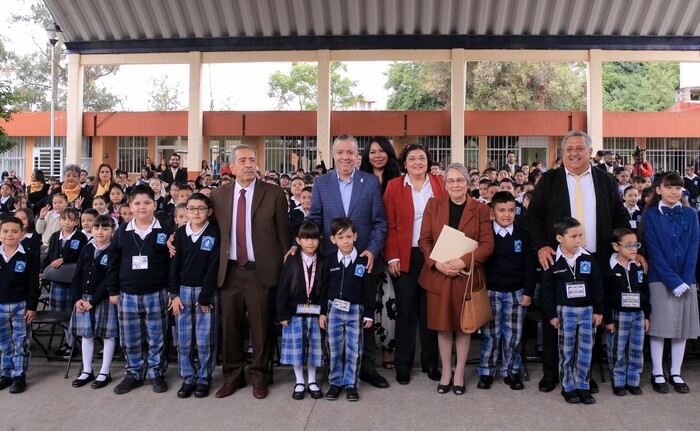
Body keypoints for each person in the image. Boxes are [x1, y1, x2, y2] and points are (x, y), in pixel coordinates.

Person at [526, 131, 631, 394]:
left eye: (580, 148)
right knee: (554, 318)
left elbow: (620, 216)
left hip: (593, 259)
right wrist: (542, 246)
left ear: (590, 152)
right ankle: (552, 372)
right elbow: (534, 217)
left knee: (591, 318)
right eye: (569, 148)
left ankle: (584, 373)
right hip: (558, 259)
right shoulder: (549, 180)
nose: (574, 153)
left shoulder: (605, 180)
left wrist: (628, 248)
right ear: (562, 153)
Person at [305, 134, 389, 389]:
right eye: (340, 152)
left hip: (362, 262)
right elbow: (315, 220)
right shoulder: (321, 183)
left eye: (350, 152)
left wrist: (372, 250)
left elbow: (379, 223)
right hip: (333, 263)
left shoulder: (371, 182)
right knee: (334, 317)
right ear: (333, 155)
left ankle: (366, 368)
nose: (345, 157)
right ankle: (336, 371)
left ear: (357, 156)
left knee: (364, 314)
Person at [209, 144, 290, 400]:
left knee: (261, 328)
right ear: (231, 167)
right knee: (230, 328)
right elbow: (209, 231)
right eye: (242, 160)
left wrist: (289, 265)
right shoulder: (218, 195)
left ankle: (260, 377)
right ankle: (232, 377)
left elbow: (284, 234)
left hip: (261, 271)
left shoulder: (274, 193)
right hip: (230, 271)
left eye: (252, 160)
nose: (248, 164)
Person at [417, 163, 494, 395]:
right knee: (442, 326)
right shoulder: (434, 204)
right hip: (439, 275)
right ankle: (446, 371)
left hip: (466, 276)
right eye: (450, 181)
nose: (455, 185)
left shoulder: (480, 209)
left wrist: (463, 261)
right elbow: (424, 240)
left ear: (469, 183)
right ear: (444, 185)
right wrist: (436, 263)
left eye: (460, 180)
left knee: (463, 326)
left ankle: (460, 371)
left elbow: (488, 245)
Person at [383, 143, 444, 384]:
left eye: (421, 157)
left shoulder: (439, 184)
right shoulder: (394, 186)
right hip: (405, 255)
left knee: (430, 312)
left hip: (434, 255)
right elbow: (388, 223)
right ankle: (403, 365)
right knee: (406, 312)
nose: (417, 162)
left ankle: (430, 363)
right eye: (412, 158)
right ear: (404, 163)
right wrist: (392, 256)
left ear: (428, 161)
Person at [107, 185, 174, 395]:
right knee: (130, 337)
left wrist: (172, 290)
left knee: (157, 337)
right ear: (130, 206)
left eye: (147, 203)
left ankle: (156, 372)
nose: (142, 207)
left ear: (155, 205)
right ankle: (134, 373)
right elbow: (113, 262)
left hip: (157, 292)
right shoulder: (122, 232)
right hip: (127, 293)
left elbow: (172, 263)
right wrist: (113, 290)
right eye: (137, 203)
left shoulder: (165, 231)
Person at [643, 171, 700, 394]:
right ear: (658, 190)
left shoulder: (691, 213)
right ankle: (658, 371)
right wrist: (671, 280)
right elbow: (654, 251)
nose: (674, 191)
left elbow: (694, 246)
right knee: (659, 327)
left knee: (681, 328)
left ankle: (675, 371)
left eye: (677, 188)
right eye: (669, 187)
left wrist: (685, 280)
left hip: (687, 279)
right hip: (660, 278)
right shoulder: (650, 215)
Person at [541, 217, 604, 405]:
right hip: (564, 311)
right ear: (560, 238)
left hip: (587, 311)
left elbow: (597, 285)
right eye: (573, 236)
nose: (578, 240)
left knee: (585, 350)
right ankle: (568, 386)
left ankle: (583, 385)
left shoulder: (587, 257)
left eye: (580, 236)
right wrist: (551, 314)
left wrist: (598, 310)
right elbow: (547, 290)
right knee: (566, 351)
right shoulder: (553, 260)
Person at [477, 192, 536, 391]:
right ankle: (486, 371)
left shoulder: (523, 233)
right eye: (501, 210)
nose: (507, 215)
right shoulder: (485, 235)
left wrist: (528, 292)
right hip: (490, 292)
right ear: (492, 213)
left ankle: (511, 371)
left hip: (516, 292)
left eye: (511, 210)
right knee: (490, 334)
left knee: (513, 335)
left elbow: (529, 265)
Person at [169, 193, 220, 399]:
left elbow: (213, 267)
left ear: (209, 211)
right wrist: (174, 294)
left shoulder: (215, 232)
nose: (196, 212)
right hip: (182, 292)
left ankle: (205, 377)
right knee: (184, 338)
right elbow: (174, 265)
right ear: (186, 212)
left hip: (205, 293)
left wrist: (206, 296)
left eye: (201, 208)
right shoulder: (180, 234)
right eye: (191, 209)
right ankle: (188, 376)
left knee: (205, 337)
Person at [320, 217, 375, 401]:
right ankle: (335, 382)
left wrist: (368, 314)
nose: (345, 241)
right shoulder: (329, 261)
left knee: (354, 348)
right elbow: (323, 288)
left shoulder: (362, 261)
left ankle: (351, 383)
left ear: (355, 237)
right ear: (333, 239)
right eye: (341, 237)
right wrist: (322, 312)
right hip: (333, 309)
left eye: (349, 237)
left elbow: (369, 290)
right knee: (334, 348)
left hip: (356, 310)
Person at [359, 136, 401, 372]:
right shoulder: (360, 179)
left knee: (388, 302)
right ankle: (368, 352)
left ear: (388, 153)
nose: (376, 155)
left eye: (381, 150)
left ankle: (388, 350)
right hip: (368, 247)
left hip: (392, 248)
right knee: (369, 301)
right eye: (372, 151)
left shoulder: (399, 179)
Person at [276, 221, 324, 400]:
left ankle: (312, 380)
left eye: (314, 238)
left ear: (319, 240)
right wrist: (282, 314)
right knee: (297, 349)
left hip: (315, 314)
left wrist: (324, 312)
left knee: (313, 348)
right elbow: (283, 288)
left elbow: (326, 290)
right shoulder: (292, 260)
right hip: (294, 313)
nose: (310, 243)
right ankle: (299, 380)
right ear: (298, 240)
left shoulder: (324, 261)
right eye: (305, 239)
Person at [69, 214, 118, 390]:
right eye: (97, 228)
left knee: (107, 334)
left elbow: (109, 278)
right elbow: (77, 275)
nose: (100, 232)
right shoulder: (87, 248)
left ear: (112, 231)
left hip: (102, 299)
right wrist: (77, 299)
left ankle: (105, 371)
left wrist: (94, 300)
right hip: (84, 298)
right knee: (86, 334)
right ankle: (87, 370)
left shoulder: (114, 250)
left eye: (105, 228)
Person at [604, 227, 649, 396]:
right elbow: (605, 295)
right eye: (628, 245)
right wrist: (608, 319)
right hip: (618, 314)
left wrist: (646, 314)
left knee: (636, 348)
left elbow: (644, 291)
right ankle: (618, 381)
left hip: (638, 313)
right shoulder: (609, 268)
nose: (634, 249)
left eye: (636, 245)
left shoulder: (637, 266)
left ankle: (633, 380)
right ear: (616, 247)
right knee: (617, 348)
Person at [0, 216, 39, 394]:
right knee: (4, 342)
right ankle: (6, 373)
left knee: (21, 341)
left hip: (20, 305)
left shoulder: (28, 255)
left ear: (22, 234)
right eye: (5, 231)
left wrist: (32, 306)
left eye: (15, 231)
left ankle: (19, 375)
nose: (10, 235)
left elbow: (33, 284)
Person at [44, 207, 87, 358]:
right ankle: (68, 343)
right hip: (57, 281)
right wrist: (44, 271)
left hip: (72, 282)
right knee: (60, 313)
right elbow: (50, 256)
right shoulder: (56, 236)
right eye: (63, 219)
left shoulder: (80, 237)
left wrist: (65, 259)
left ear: (76, 222)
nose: (66, 222)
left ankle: (73, 344)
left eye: (70, 219)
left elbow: (79, 256)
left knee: (71, 313)